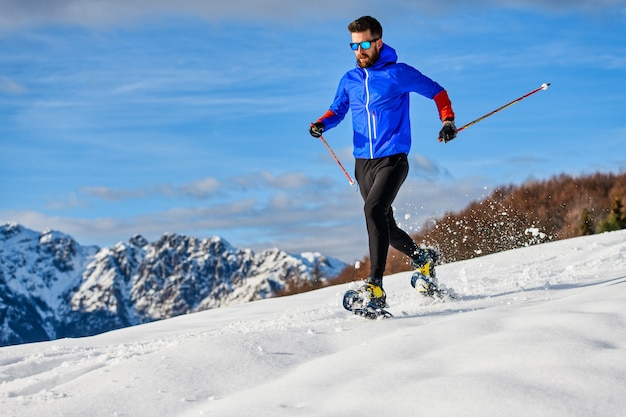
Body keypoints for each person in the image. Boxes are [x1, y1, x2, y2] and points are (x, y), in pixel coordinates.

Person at [309, 16, 457, 307]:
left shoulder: (398, 73)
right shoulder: (349, 80)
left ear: (378, 42)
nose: (359, 51)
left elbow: (437, 92)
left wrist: (448, 120)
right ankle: (422, 260)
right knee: (384, 224)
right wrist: (321, 124)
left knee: (373, 210)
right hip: (363, 163)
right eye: (353, 46)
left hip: (393, 159)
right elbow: (337, 110)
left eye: (364, 44)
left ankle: (374, 288)